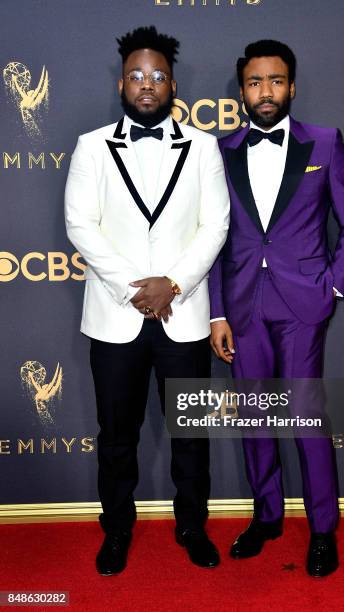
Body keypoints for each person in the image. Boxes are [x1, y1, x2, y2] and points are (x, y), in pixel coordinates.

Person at [65, 25, 229, 575]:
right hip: (116, 317)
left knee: (191, 436)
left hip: (184, 318)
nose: (147, 84)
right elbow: (80, 225)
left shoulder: (204, 147)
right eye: (137, 75)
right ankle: (116, 532)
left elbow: (216, 225)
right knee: (116, 438)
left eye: (157, 76)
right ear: (121, 84)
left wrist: (173, 285)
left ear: (173, 85)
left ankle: (192, 527)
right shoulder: (91, 147)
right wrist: (137, 287)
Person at [209, 39, 344, 577]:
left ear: (292, 86)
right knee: (255, 419)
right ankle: (267, 516)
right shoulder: (221, 150)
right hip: (242, 307)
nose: (266, 91)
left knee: (305, 419)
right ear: (242, 91)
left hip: (304, 305)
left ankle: (323, 530)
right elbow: (212, 239)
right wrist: (216, 312)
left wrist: (334, 287)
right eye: (255, 83)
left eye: (276, 81)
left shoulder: (325, 143)